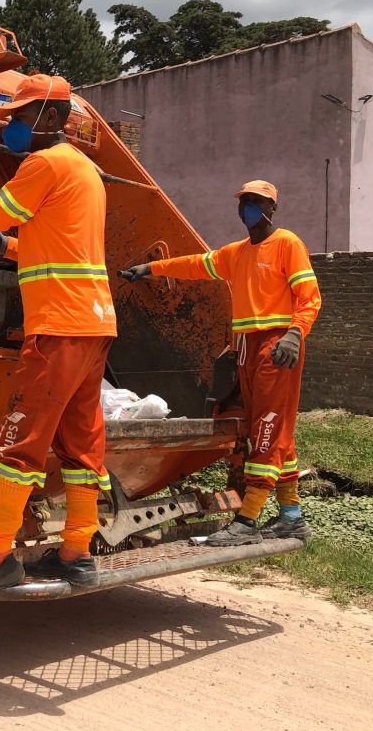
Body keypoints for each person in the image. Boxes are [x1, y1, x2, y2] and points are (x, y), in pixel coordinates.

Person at [0, 73, 117, 598]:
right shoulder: (86, 170)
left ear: (53, 118)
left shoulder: (43, 163)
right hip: (94, 325)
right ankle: (77, 554)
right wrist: (7, 247)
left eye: (21, 115)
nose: (13, 125)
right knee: (82, 447)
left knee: (21, 443)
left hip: (57, 326)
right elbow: (53, 240)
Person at [120, 180, 321, 545]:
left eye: (255, 202)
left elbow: (309, 296)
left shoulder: (287, 244)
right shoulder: (237, 253)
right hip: (246, 346)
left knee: (266, 429)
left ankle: (247, 520)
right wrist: (151, 269)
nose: (247, 208)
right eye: (243, 202)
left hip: (276, 345)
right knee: (274, 431)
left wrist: (295, 334)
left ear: (272, 209)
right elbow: (196, 264)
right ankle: (291, 515)